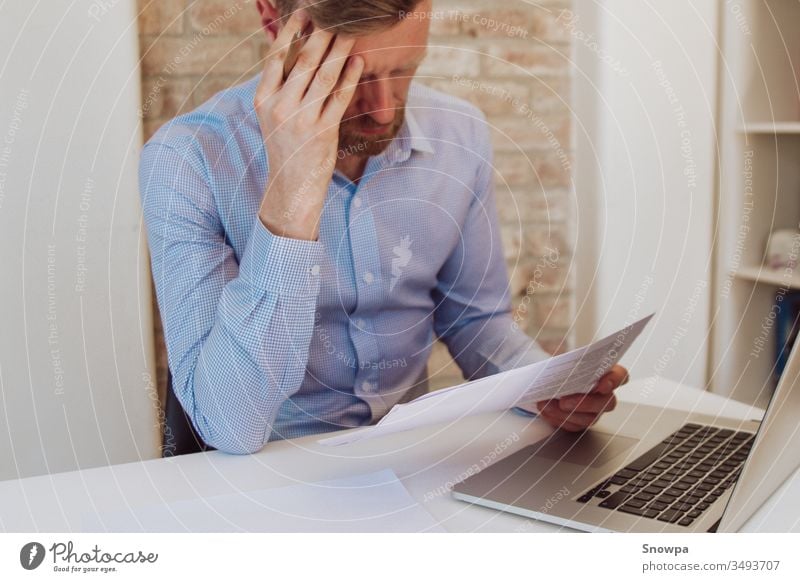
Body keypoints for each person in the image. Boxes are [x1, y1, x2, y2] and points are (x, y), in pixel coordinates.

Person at [139, 0, 627, 454]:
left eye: (404, 70)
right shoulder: (188, 160)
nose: (384, 110)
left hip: (408, 462)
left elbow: (476, 323)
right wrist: (293, 194)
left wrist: (544, 385)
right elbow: (230, 427)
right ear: (273, 19)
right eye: (351, 77)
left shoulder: (461, 133)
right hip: (267, 470)